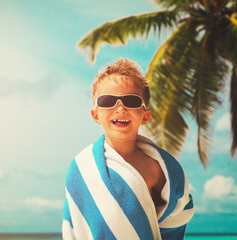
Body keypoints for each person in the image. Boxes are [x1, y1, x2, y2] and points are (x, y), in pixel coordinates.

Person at [62, 58, 194, 240]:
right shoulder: (82, 167)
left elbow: (175, 215)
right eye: (108, 101)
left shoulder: (157, 168)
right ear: (96, 115)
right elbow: (75, 224)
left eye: (131, 101)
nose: (120, 107)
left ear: (145, 116)